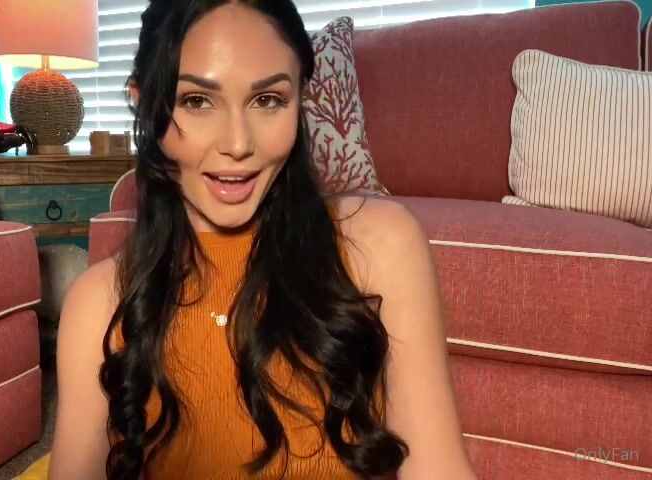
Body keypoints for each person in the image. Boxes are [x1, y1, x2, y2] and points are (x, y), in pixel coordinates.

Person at [49, 1, 477, 479]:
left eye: (268, 100)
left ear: (301, 100)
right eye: (197, 101)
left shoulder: (381, 244)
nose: (238, 144)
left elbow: (437, 467)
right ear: (143, 103)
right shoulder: (98, 302)